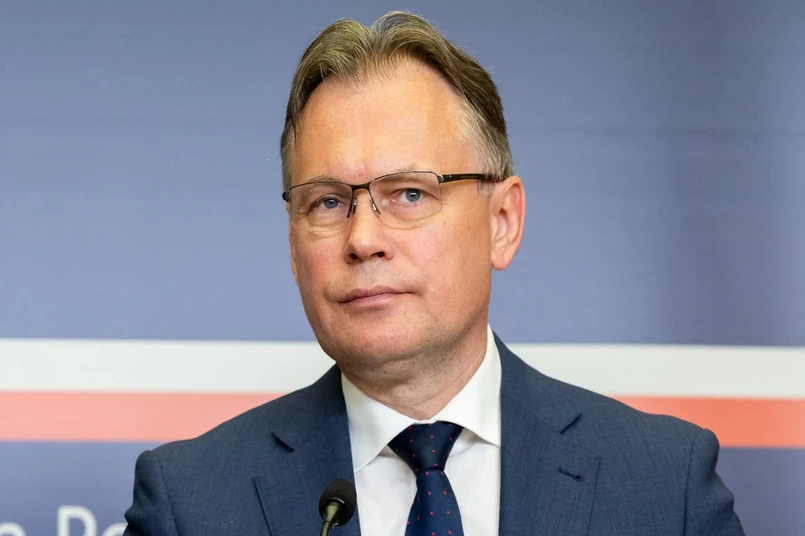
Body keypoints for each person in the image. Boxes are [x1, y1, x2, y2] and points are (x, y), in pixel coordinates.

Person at [123, 11, 744, 536]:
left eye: (410, 194)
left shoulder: (665, 485)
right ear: (292, 245)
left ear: (502, 221)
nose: (363, 240)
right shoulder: (191, 502)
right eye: (328, 203)